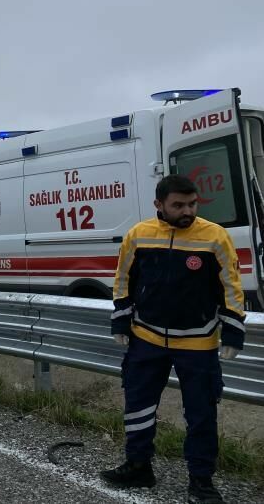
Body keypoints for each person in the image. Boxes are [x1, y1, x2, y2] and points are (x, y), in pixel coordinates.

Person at [100, 175, 245, 504]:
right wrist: (120, 321)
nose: (187, 211)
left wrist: (234, 329)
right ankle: (138, 466)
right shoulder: (139, 235)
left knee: (201, 413)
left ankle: (201, 481)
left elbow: (232, 287)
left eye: (192, 203)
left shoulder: (215, 237)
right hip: (146, 338)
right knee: (138, 405)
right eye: (178, 205)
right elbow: (123, 279)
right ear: (159, 205)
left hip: (198, 343)